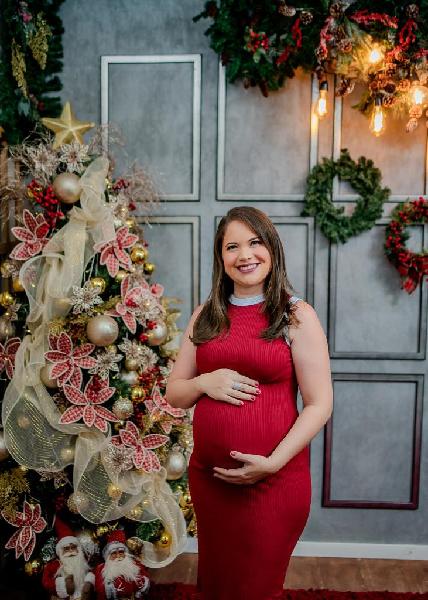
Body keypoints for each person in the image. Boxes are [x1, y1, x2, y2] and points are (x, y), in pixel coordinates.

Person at [165, 206, 333, 600]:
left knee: (257, 588)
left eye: (255, 243)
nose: (245, 255)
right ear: (221, 259)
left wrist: (272, 463)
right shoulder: (205, 316)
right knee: (217, 585)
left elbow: (320, 403)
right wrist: (205, 381)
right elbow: (174, 392)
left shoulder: (296, 316)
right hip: (210, 479)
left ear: (271, 249)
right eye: (232, 246)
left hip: (275, 480)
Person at [41, 517, 95, 600]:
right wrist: (62, 584)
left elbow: (92, 572)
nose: (70, 551)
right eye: (66, 549)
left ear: (78, 549)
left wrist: (89, 582)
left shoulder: (83, 561)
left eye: (73, 548)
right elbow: (46, 582)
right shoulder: (54, 565)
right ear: (60, 551)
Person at [94, 530, 150, 599]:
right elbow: (100, 592)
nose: (118, 556)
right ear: (108, 555)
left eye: (121, 552)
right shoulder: (101, 569)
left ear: (125, 553)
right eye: (114, 553)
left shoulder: (134, 565)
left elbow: (143, 585)